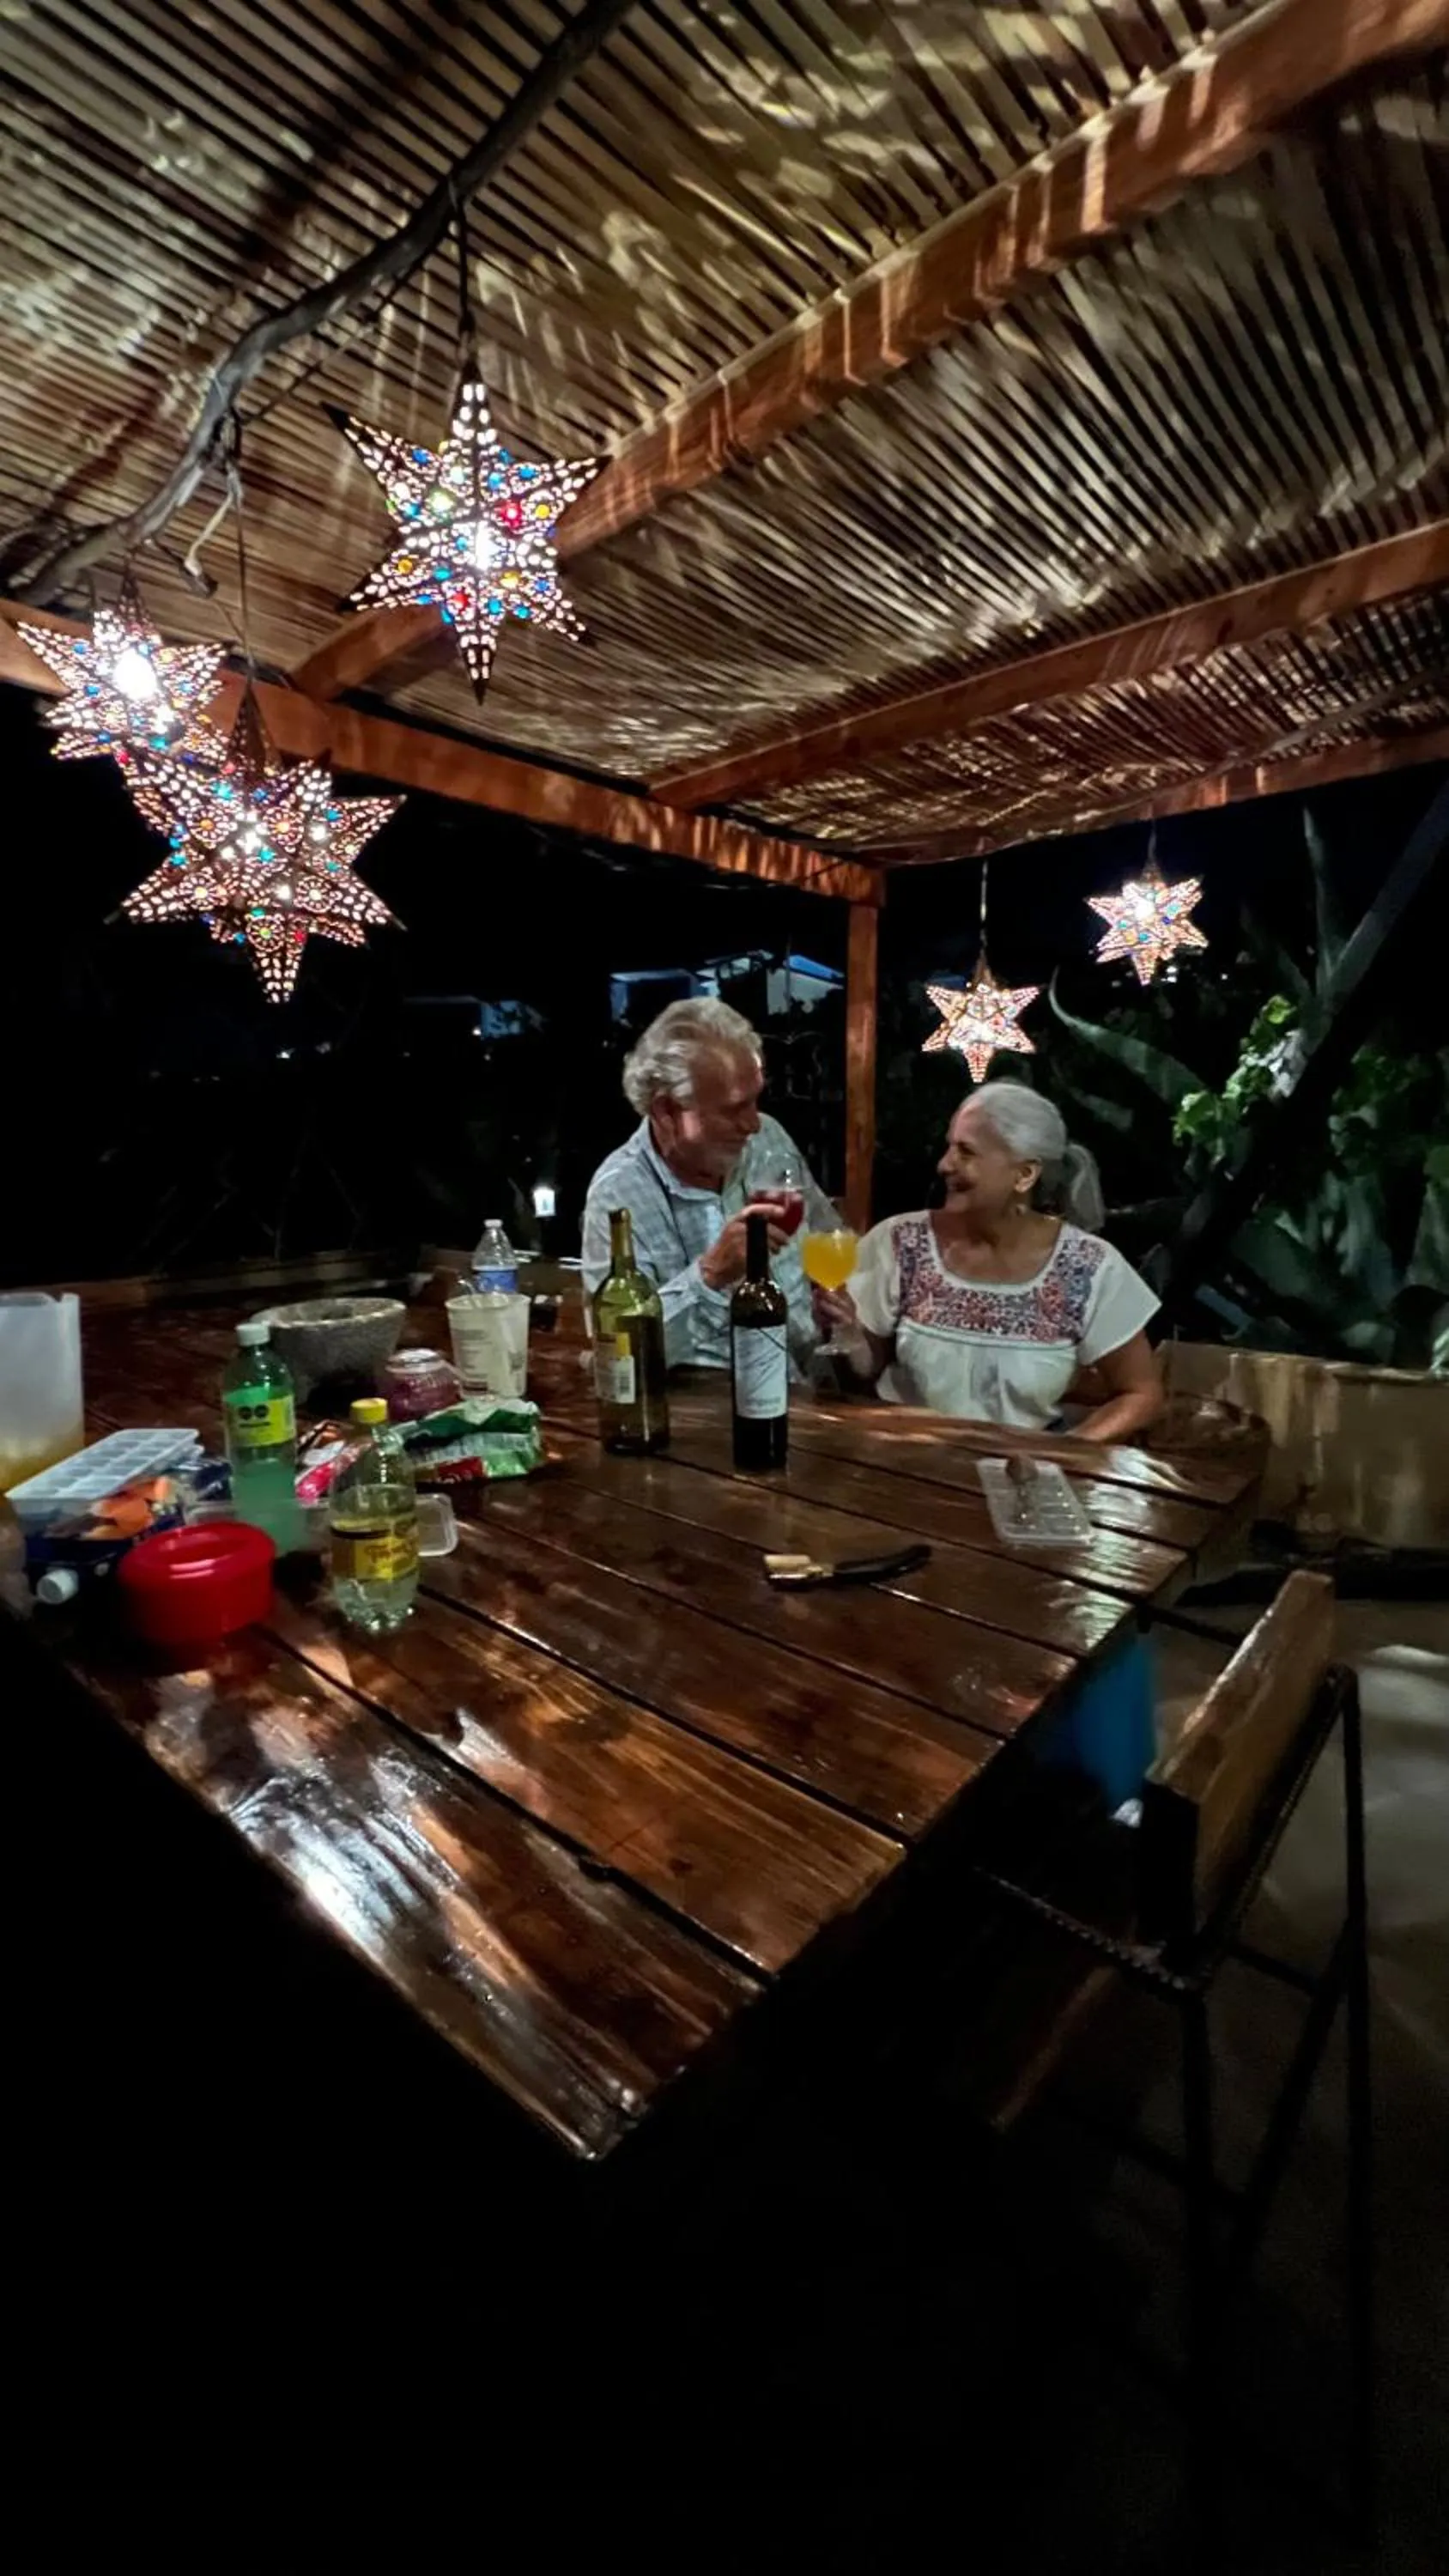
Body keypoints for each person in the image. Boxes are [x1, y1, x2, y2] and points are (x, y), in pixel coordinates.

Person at [814, 1080, 1164, 1439]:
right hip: (905, 1460)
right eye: (949, 1147)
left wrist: (1066, 1454)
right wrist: (849, 1333)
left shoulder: (1089, 1266)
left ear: (1025, 1175)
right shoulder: (900, 1241)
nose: (944, 1165)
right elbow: (864, 1373)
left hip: (1018, 1470)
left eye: (966, 1152)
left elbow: (1141, 1394)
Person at [581, 997, 835, 1373]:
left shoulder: (770, 1141)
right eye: (735, 1108)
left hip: (810, 1389)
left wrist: (835, 1294)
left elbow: (826, 1230)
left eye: (755, 1100)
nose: (754, 1124)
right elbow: (619, 1352)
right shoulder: (616, 1196)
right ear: (667, 1111)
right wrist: (710, 1275)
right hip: (712, 1413)